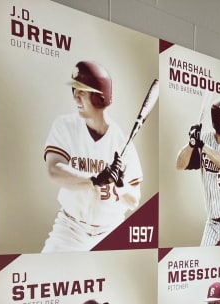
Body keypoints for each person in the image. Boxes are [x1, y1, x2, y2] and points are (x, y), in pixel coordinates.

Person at [41, 60, 143, 252]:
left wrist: (120, 186)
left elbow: (133, 200)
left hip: (111, 232)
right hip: (70, 229)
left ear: (99, 98)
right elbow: (54, 170)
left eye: (82, 92)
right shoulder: (65, 126)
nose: (76, 98)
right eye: (75, 91)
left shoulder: (122, 142)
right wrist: (94, 179)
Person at [176, 100, 220, 246]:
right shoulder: (204, 140)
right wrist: (192, 144)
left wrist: (202, 146)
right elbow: (180, 164)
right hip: (212, 224)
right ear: (218, 125)